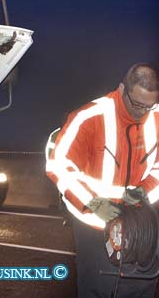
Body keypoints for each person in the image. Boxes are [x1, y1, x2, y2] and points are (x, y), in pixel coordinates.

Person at [46, 63, 159, 297]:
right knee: (98, 288)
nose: (142, 112)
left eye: (149, 106)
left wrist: (145, 189)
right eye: (137, 104)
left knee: (142, 286)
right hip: (95, 224)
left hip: (141, 224)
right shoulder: (89, 117)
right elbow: (59, 165)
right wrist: (93, 204)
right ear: (121, 89)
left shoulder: (156, 117)